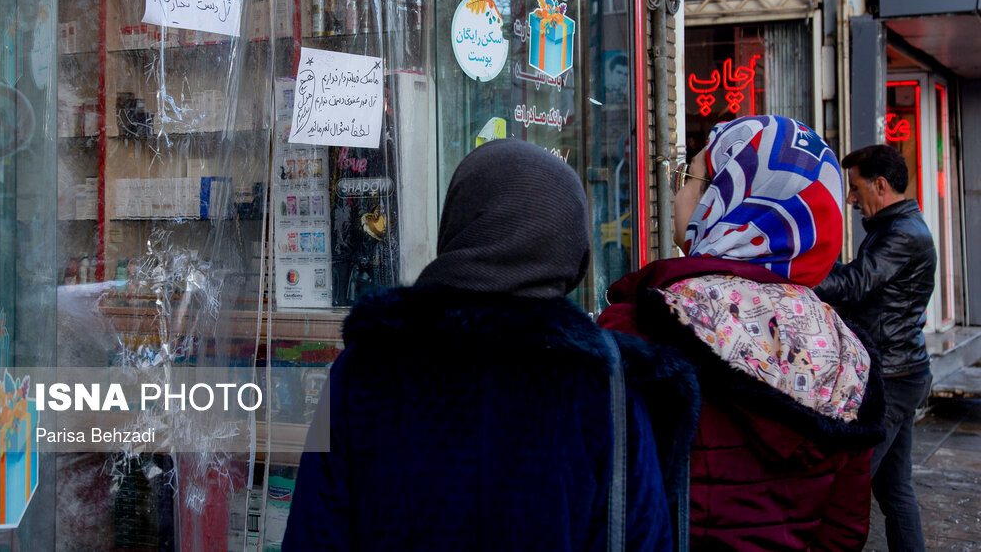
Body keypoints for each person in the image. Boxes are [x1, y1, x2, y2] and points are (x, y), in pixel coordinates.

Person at [283, 138, 698, 551]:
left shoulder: (361, 368)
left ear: (459, 226)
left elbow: (313, 528)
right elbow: (642, 536)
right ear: (572, 246)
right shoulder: (607, 384)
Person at [599, 115, 886, 551]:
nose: (676, 192)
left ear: (723, 198)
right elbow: (844, 529)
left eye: (688, 177)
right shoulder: (847, 352)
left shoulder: (643, 325)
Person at [814, 144, 936, 552]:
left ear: (880, 185)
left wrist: (796, 267)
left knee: (846, 487)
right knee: (895, 490)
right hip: (902, 372)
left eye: (855, 187)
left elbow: (853, 285)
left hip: (893, 378)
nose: (850, 198)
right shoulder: (900, 228)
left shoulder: (901, 234)